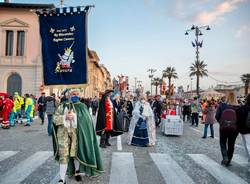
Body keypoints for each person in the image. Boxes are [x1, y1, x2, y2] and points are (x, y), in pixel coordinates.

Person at [52, 89, 104, 184]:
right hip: (63, 135)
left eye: (76, 94)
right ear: (69, 95)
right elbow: (54, 119)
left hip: (77, 135)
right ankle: (61, 178)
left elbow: (86, 121)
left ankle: (77, 172)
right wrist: (65, 117)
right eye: (73, 94)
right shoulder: (62, 106)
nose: (75, 96)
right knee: (63, 156)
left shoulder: (83, 106)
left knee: (76, 155)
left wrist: (76, 118)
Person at [216, 93, 239, 167]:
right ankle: (229, 160)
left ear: (227, 98)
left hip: (223, 128)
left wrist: (221, 123)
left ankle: (225, 157)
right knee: (231, 144)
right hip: (234, 129)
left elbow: (217, 116)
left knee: (222, 142)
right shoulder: (238, 107)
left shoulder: (222, 105)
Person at [236, 93, 250, 162]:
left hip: (245, 130)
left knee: (247, 146)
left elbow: (238, 119)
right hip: (245, 129)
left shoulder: (242, 108)